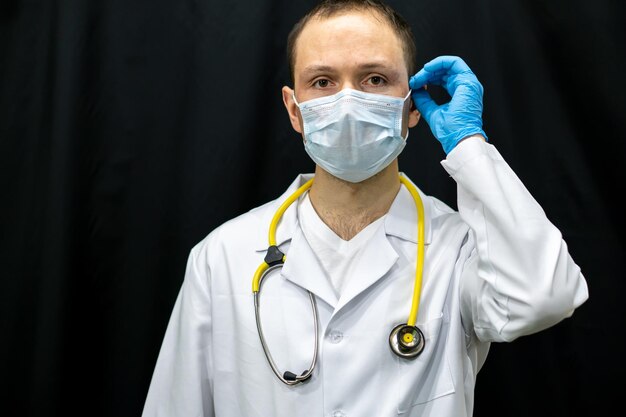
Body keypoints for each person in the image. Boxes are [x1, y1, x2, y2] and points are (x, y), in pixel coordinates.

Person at [142, 1, 589, 416]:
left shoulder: (461, 247)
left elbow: (543, 297)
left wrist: (468, 144)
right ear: (294, 110)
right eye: (323, 82)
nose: (349, 101)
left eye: (375, 79)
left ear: (411, 104)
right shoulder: (222, 256)